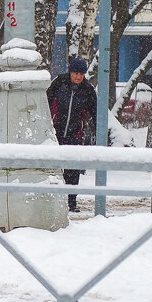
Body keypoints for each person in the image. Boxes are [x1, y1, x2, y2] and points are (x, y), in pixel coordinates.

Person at [47, 57, 97, 212]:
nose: (78, 76)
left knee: (73, 169)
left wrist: (99, 132)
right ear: (70, 72)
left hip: (75, 133)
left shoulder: (87, 90)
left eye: (81, 74)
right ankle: (51, 201)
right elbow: (45, 102)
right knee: (53, 168)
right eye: (75, 73)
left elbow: (96, 113)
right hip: (55, 132)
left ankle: (71, 202)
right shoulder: (59, 83)